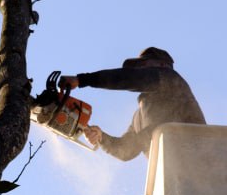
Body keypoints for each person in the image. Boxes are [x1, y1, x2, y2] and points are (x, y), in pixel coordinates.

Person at [59, 47, 206, 161]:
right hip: (171, 177)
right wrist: (101, 138)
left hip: (199, 158)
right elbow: (126, 150)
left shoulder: (171, 79)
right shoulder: (139, 118)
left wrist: (82, 80)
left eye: (143, 64)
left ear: (162, 65)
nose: (139, 70)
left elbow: (131, 78)